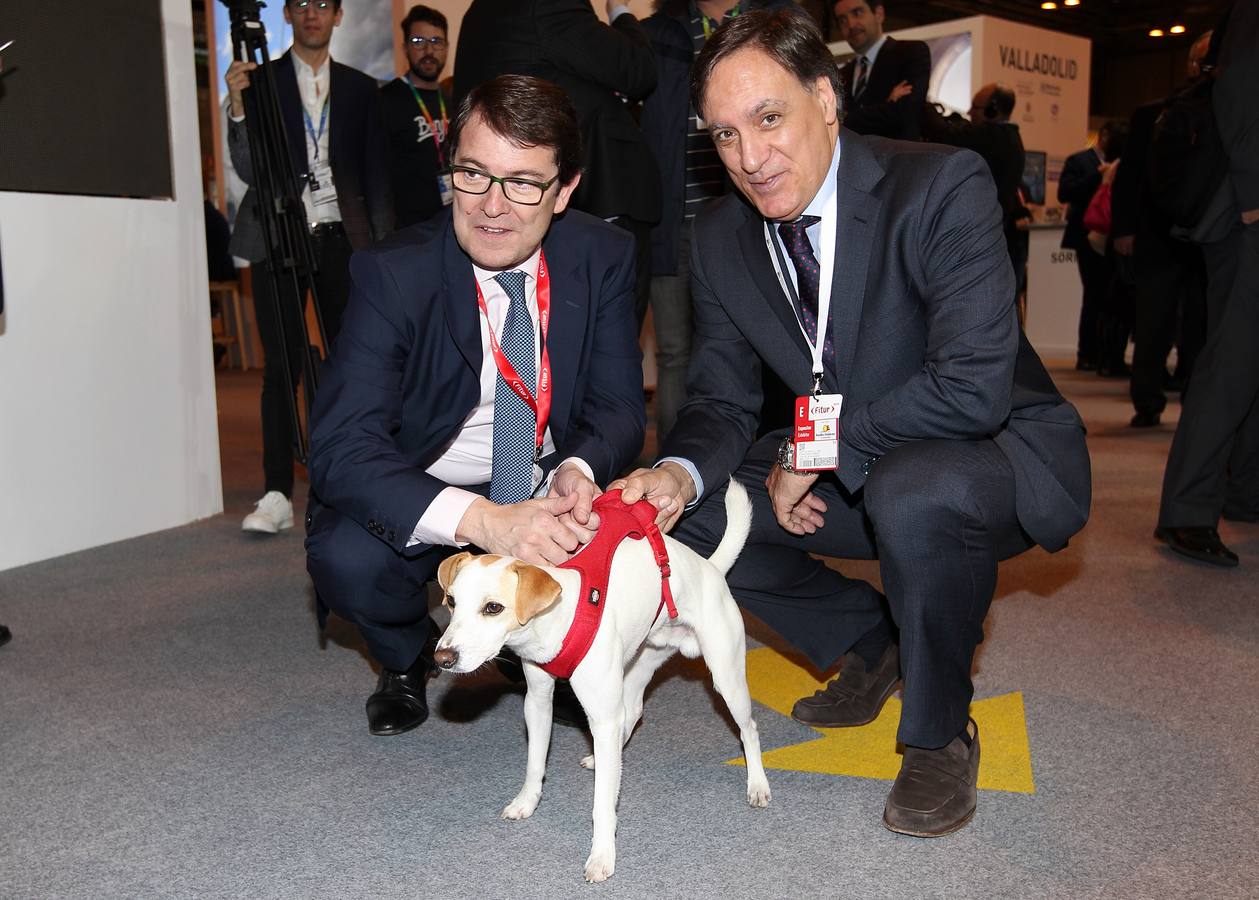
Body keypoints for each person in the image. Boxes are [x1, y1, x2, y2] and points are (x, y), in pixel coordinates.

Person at [612, 9, 1090, 836]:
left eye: (768, 119)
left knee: (914, 490)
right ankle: (872, 640)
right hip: (844, 455)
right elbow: (721, 397)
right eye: (722, 136)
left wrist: (816, 446)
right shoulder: (721, 235)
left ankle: (939, 730)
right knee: (690, 519)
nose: (749, 159)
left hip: (985, 455)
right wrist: (674, 472)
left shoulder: (941, 185)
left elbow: (972, 388)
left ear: (825, 100)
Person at [304, 75, 646, 737]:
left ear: (565, 188)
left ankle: (531, 645)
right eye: (473, 174)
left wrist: (578, 467)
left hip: (538, 473)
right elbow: (343, 446)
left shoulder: (601, 257)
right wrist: (485, 522)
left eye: (523, 183)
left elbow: (618, 407)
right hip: (423, 475)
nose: (492, 207)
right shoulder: (391, 273)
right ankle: (406, 659)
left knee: (633, 526)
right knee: (347, 559)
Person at [225, 0, 394, 535]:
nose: (312, 13)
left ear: (339, 15)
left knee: (354, 365)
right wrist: (236, 105)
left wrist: (386, 254)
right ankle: (276, 492)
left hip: (346, 239)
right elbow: (250, 167)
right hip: (280, 235)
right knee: (281, 368)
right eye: (300, 4)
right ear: (288, 15)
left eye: (323, 4)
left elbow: (375, 176)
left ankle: (353, 478)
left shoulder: (362, 89)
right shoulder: (260, 80)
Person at [640, 0, 795, 445]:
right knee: (674, 355)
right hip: (671, 224)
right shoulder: (660, 32)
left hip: (752, 218)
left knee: (763, 350)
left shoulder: (778, 19)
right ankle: (676, 466)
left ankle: (761, 462)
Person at [453, 0, 661, 329]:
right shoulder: (548, 6)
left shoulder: (479, 13)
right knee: (604, 339)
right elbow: (638, 70)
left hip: (526, 205)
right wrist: (620, 11)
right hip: (595, 197)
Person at [1157, 0, 1259, 567]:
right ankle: (1189, 511)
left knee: (1248, 365)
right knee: (1232, 364)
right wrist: (1255, 197)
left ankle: (1244, 492)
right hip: (1251, 215)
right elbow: (1242, 87)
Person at [1112, 35, 1212, 428]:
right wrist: (1123, 229)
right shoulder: (1152, 115)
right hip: (1157, 236)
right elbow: (1129, 178)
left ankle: (1196, 398)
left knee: (1200, 324)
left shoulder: (1226, 111)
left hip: (1204, 238)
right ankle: (1147, 401)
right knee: (1153, 322)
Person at [920, 83, 1027, 307]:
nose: (969, 112)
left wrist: (922, 105)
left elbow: (945, 134)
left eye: (975, 107)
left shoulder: (996, 137)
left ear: (992, 110)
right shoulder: (1009, 138)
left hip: (983, 238)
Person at [380, 5, 453, 228]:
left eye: (436, 42)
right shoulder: (384, 100)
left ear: (447, 48)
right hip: (408, 231)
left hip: (451, 224)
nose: (428, 51)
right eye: (418, 42)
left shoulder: (453, 99)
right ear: (405, 49)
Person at [1059, 122, 1118, 373]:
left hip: (1113, 237)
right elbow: (1066, 193)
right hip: (1086, 237)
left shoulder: (1121, 162)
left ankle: (1108, 354)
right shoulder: (1079, 161)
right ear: (1103, 136)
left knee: (1111, 298)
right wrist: (1098, 174)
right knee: (1093, 295)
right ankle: (1087, 354)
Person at [833, 0, 930, 141]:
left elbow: (905, 113)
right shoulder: (840, 75)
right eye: (842, 20)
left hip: (898, 158)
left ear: (879, 13)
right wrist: (886, 104)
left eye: (857, 13)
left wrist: (847, 118)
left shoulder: (911, 53)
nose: (851, 24)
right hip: (854, 160)